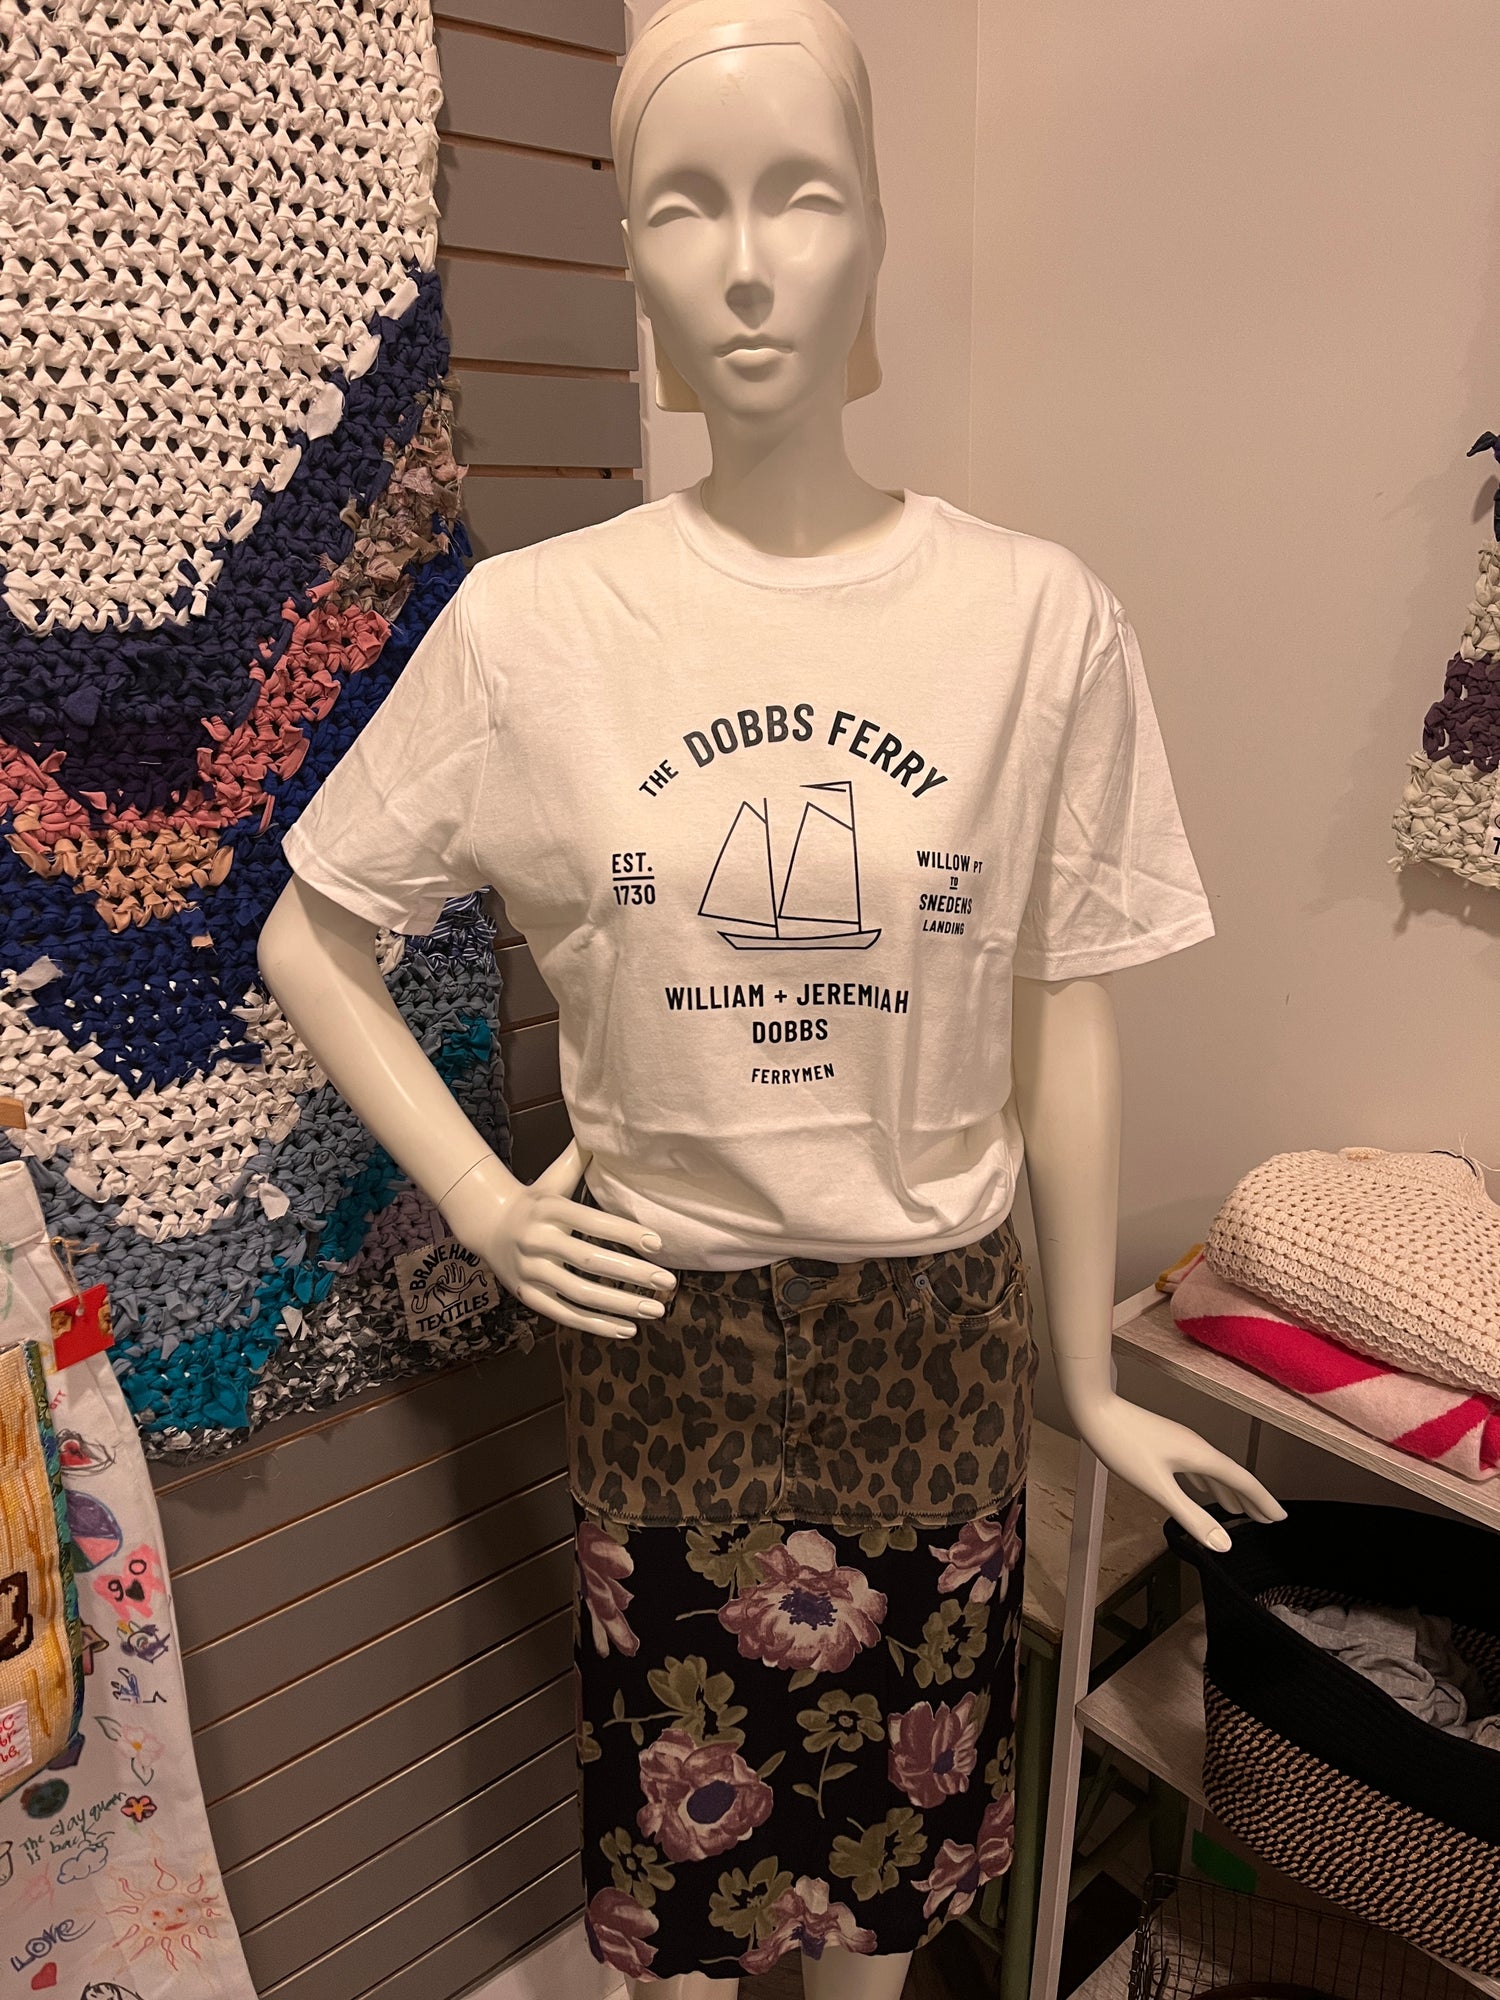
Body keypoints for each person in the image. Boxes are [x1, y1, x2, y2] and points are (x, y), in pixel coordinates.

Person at [259, 4, 1284, 1992]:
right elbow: (316, 930)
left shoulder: (1037, 620)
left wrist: (1088, 1381)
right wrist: (485, 1204)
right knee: (694, 1889)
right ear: (630, 254)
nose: (743, 263)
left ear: (876, 227)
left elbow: (1064, 1001)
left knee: (888, 1883)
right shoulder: (534, 630)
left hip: (938, 1340)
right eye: (681, 206)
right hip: (669, 1340)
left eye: (801, 195)